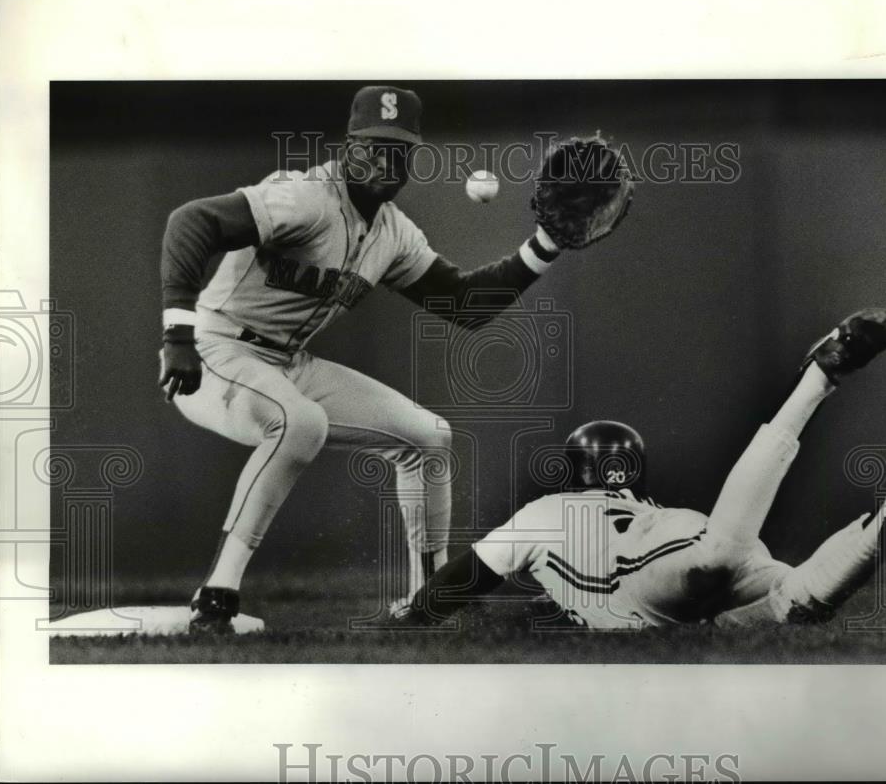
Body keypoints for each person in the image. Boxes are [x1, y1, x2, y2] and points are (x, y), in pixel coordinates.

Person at [159, 85, 575, 633]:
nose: (383, 159)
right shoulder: (305, 197)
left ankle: (428, 600)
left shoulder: (393, 234)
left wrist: (545, 243)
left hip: (287, 362)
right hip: (215, 349)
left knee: (429, 436)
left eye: (398, 150)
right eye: (372, 146)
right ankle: (216, 597)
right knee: (301, 421)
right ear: (348, 147)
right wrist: (179, 335)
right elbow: (191, 222)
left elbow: (467, 305)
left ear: (412, 159)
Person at [392, 308, 886, 629]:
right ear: (633, 472)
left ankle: (817, 381)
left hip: (651, 579)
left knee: (726, 565)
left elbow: (467, 577)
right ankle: (882, 529)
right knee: (793, 600)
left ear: (574, 470)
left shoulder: (547, 510)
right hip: (692, 538)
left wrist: (414, 613)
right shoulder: (655, 506)